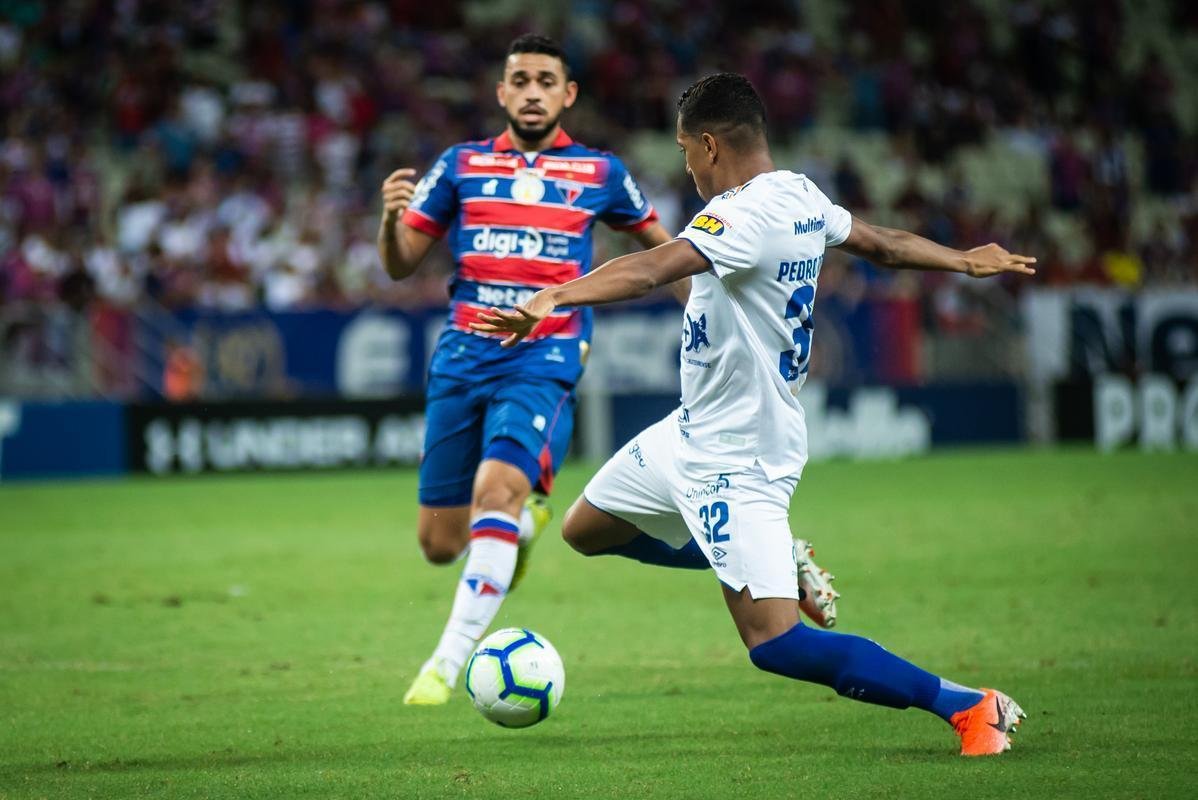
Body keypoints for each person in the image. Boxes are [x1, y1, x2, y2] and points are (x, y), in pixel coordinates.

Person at [472, 73, 1036, 756]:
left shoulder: (741, 216)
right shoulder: (799, 194)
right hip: (689, 432)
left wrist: (552, 298)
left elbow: (654, 268)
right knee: (584, 529)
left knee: (774, 643)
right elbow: (882, 243)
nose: (686, 166)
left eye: (686, 152)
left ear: (710, 145)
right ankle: (772, 563)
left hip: (739, 457)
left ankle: (969, 706)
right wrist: (961, 261)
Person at [377, 34, 676, 706]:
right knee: (438, 543)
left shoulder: (600, 173)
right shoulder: (461, 164)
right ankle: (521, 529)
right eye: (522, 80)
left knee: (497, 489)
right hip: (461, 356)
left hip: (545, 354)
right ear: (502, 92)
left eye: (547, 80)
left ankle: (444, 667)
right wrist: (389, 220)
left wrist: (710, 320)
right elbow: (400, 263)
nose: (533, 91)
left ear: (567, 94)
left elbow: (666, 254)